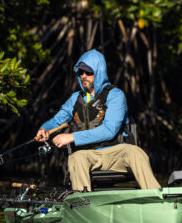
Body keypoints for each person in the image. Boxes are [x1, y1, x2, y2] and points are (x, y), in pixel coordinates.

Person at [35, 49, 160, 192]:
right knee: (76, 158)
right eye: (80, 72)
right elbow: (56, 121)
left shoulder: (116, 96)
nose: (83, 76)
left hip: (116, 153)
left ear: (98, 71)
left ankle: (156, 197)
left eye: (88, 72)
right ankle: (83, 203)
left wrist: (71, 137)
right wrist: (44, 129)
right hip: (88, 155)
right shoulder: (75, 99)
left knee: (136, 152)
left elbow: (109, 130)